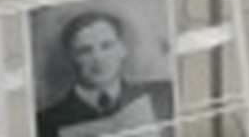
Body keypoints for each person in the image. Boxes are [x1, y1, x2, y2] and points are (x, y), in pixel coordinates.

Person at [36, 10, 175, 137]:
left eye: (107, 46)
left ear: (123, 49)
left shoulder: (164, 96)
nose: (98, 58)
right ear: (70, 58)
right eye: (85, 51)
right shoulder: (45, 122)